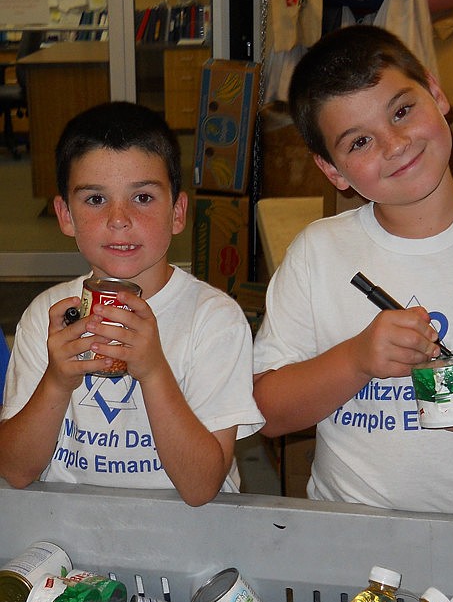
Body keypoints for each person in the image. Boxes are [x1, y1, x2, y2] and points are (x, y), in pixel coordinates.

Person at [253, 24, 453, 515]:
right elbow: (266, 411)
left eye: (403, 111)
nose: (395, 143)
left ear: (437, 93)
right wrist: (356, 359)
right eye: (359, 142)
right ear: (332, 171)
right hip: (350, 543)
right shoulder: (318, 253)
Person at [0, 101, 263, 505]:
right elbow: (16, 471)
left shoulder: (215, 320)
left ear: (177, 213)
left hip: (188, 535)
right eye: (94, 200)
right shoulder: (47, 315)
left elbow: (200, 487)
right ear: (65, 216)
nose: (119, 218)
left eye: (142, 197)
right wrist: (56, 382)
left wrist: (155, 371)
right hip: (70, 534)